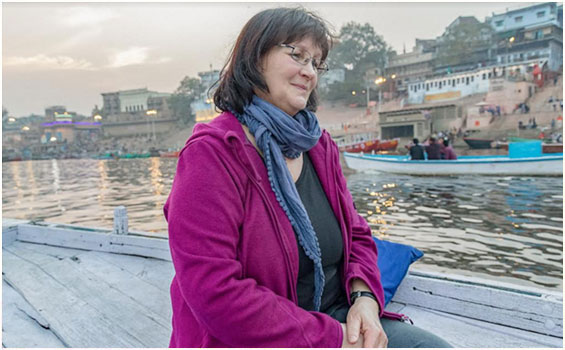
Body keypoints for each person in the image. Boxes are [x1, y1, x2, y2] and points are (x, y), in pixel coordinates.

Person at [164, 7, 451, 349]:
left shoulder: (319, 147)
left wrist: (365, 301)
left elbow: (357, 233)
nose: (309, 72)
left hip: (339, 316)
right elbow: (214, 292)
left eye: (316, 62)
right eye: (297, 55)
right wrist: (332, 339)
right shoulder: (212, 154)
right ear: (255, 58)